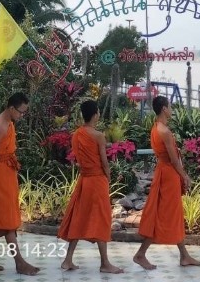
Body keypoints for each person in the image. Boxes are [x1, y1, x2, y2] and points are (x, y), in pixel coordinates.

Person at [133, 96, 200, 270]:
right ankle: (141, 254)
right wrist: (185, 176)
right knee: (164, 215)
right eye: (170, 106)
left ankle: (184, 255)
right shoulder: (163, 131)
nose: (172, 109)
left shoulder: (156, 128)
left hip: (164, 173)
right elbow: (173, 159)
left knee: (172, 214)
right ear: (164, 109)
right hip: (168, 175)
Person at [0, 92, 39, 276]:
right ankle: (19, 263)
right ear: (11, 108)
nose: (22, 115)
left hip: (6, 172)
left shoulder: (8, 122)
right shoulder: (1, 125)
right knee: (7, 220)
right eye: (21, 111)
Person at [58, 99, 122, 274]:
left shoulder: (76, 134)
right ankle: (105, 263)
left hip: (84, 179)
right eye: (98, 112)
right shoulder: (98, 135)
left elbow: (79, 159)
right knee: (101, 218)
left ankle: (67, 260)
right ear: (95, 115)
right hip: (97, 180)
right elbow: (104, 161)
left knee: (79, 218)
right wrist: (108, 176)